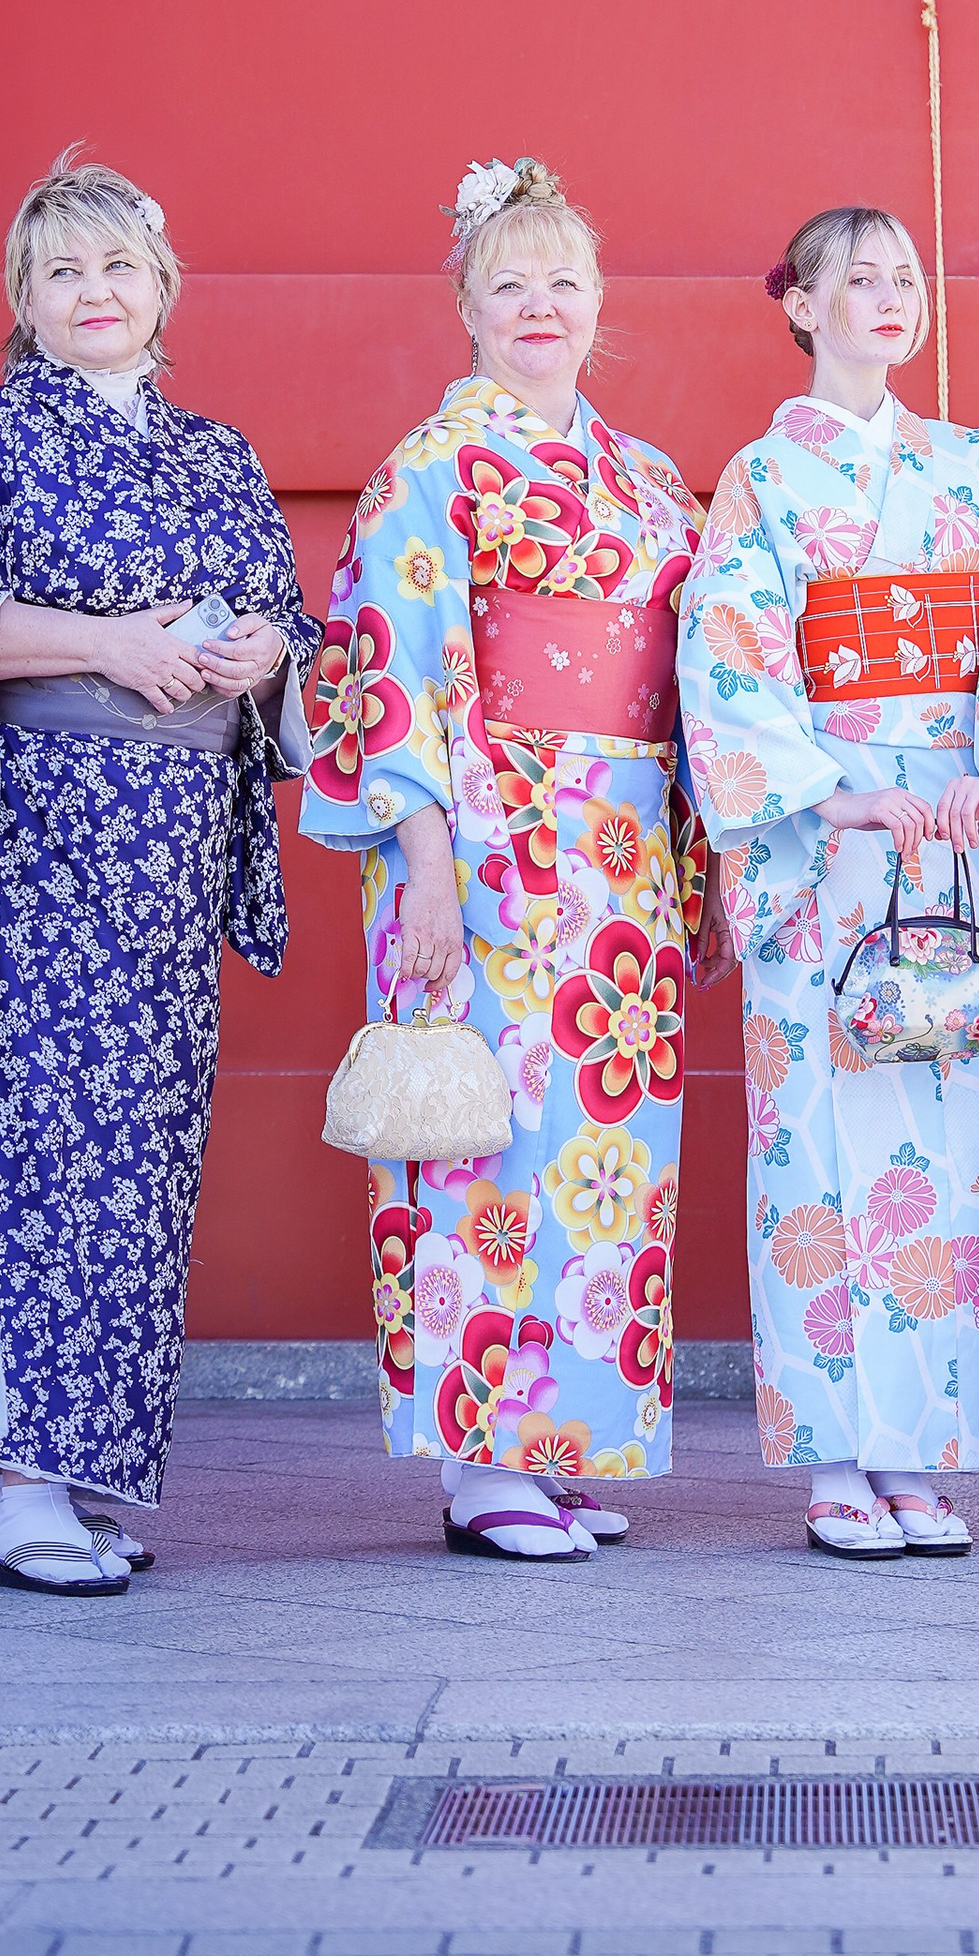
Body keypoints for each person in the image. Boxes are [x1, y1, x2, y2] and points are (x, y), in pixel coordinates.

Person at [0, 153, 316, 1598]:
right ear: (24, 305)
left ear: (162, 287)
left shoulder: (216, 454)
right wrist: (101, 642)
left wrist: (263, 655)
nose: (92, 294)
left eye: (116, 268)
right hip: (26, 857)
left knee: (139, 1157)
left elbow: (287, 618)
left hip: (160, 857)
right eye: (61, 273)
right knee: (28, 1144)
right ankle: (18, 1482)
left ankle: (86, 1469)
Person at [296, 157, 703, 1561]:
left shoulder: (643, 477)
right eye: (510, 284)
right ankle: (479, 1461)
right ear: (464, 306)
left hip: (623, 842)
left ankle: (561, 1444)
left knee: (605, 1155)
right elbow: (384, 657)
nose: (541, 306)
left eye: (565, 283)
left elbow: (687, 668)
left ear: (601, 306)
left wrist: (696, 856)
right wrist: (419, 854)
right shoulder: (434, 465)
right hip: (486, 835)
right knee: (488, 1138)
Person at [676, 207, 979, 1558]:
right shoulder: (763, 479)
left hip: (951, 826)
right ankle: (839, 1452)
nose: (890, 298)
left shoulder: (967, 466)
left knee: (956, 1140)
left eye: (906, 278)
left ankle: (930, 1447)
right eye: (860, 279)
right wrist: (834, 791)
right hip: (825, 840)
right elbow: (726, 659)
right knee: (818, 1146)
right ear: (802, 305)